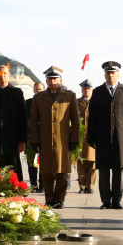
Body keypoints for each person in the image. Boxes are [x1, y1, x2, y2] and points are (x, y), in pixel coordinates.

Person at [88, 61, 123, 209]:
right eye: (108, 73)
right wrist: (91, 137)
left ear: (118, 74)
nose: (111, 75)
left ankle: (116, 201)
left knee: (118, 170)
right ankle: (105, 201)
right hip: (102, 138)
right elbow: (92, 117)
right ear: (105, 75)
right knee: (103, 171)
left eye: (113, 73)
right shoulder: (97, 92)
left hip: (120, 138)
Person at [29, 66, 80, 208]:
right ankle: (49, 200)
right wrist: (34, 140)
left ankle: (60, 199)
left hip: (63, 141)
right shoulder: (38, 97)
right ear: (46, 81)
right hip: (45, 140)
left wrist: (74, 139)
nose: (52, 82)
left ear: (60, 80)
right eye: (50, 79)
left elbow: (75, 120)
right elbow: (34, 121)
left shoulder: (69, 96)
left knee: (62, 172)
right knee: (46, 172)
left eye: (55, 79)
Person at [25, 82, 46, 193]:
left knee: (42, 163)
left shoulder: (48, 103)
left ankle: (42, 185)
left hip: (43, 138)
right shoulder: (27, 103)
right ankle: (33, 185)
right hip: (30, 138)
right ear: (33, 91)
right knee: (31, 163)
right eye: (37, 89)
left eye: (41, 89)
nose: (38, 91)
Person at [76, 79, 96, 194]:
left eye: (88, 88)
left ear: (92, 90)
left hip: (92, 138)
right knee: (81, 163)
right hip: (80, 139)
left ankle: (90, 186)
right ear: (82, 90)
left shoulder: (96, 102)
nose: (86, 90)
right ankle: (82, 186)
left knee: (92, 164)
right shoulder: (77, 103)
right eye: (84, 88)